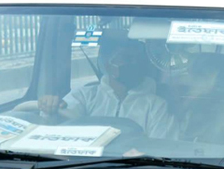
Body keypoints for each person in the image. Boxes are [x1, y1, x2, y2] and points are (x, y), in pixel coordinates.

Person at [38, 30, 175, 139]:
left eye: (137, 59)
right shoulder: (84, 96)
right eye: (126, 58)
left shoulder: (157, 106)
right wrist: (50, 108)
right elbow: (54, 128)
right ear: (107, 64)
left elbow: (163, 148)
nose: (133, 63)